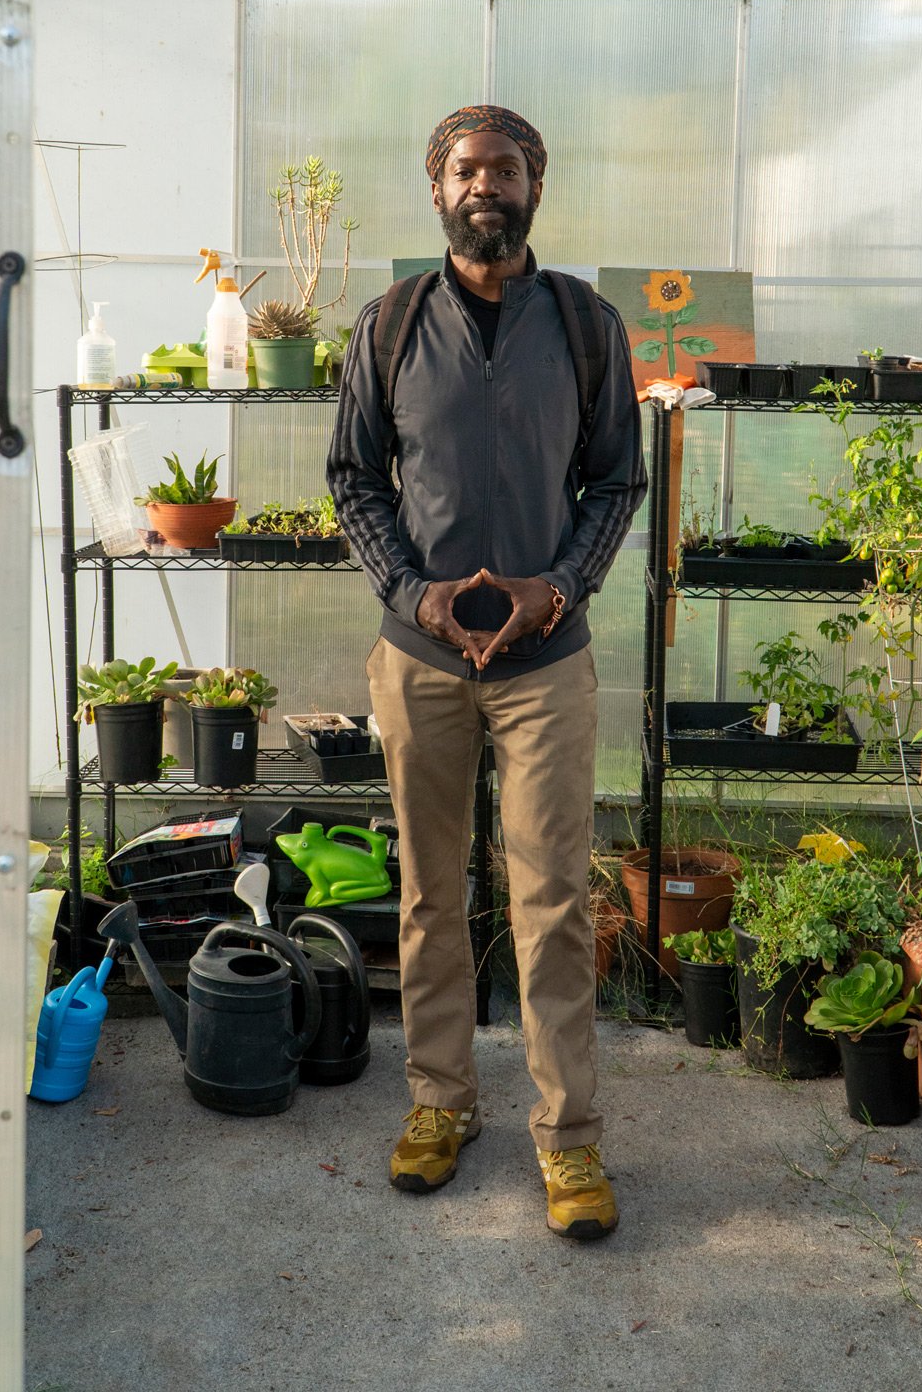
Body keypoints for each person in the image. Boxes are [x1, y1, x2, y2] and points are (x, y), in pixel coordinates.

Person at [326, 105, 646, 1241]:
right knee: (427, 893)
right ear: (437, 189)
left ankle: (568, 1140)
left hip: (545, 661)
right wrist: (411, 594)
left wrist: (555, 589)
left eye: (505, 169)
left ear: (534, 186)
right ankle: (439, 1104)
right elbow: (353, 476)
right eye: (466, 169)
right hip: (419, 660)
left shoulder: (588, 325)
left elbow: (615, 484)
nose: (486, 186)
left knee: (552, 898)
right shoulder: (391, 324)